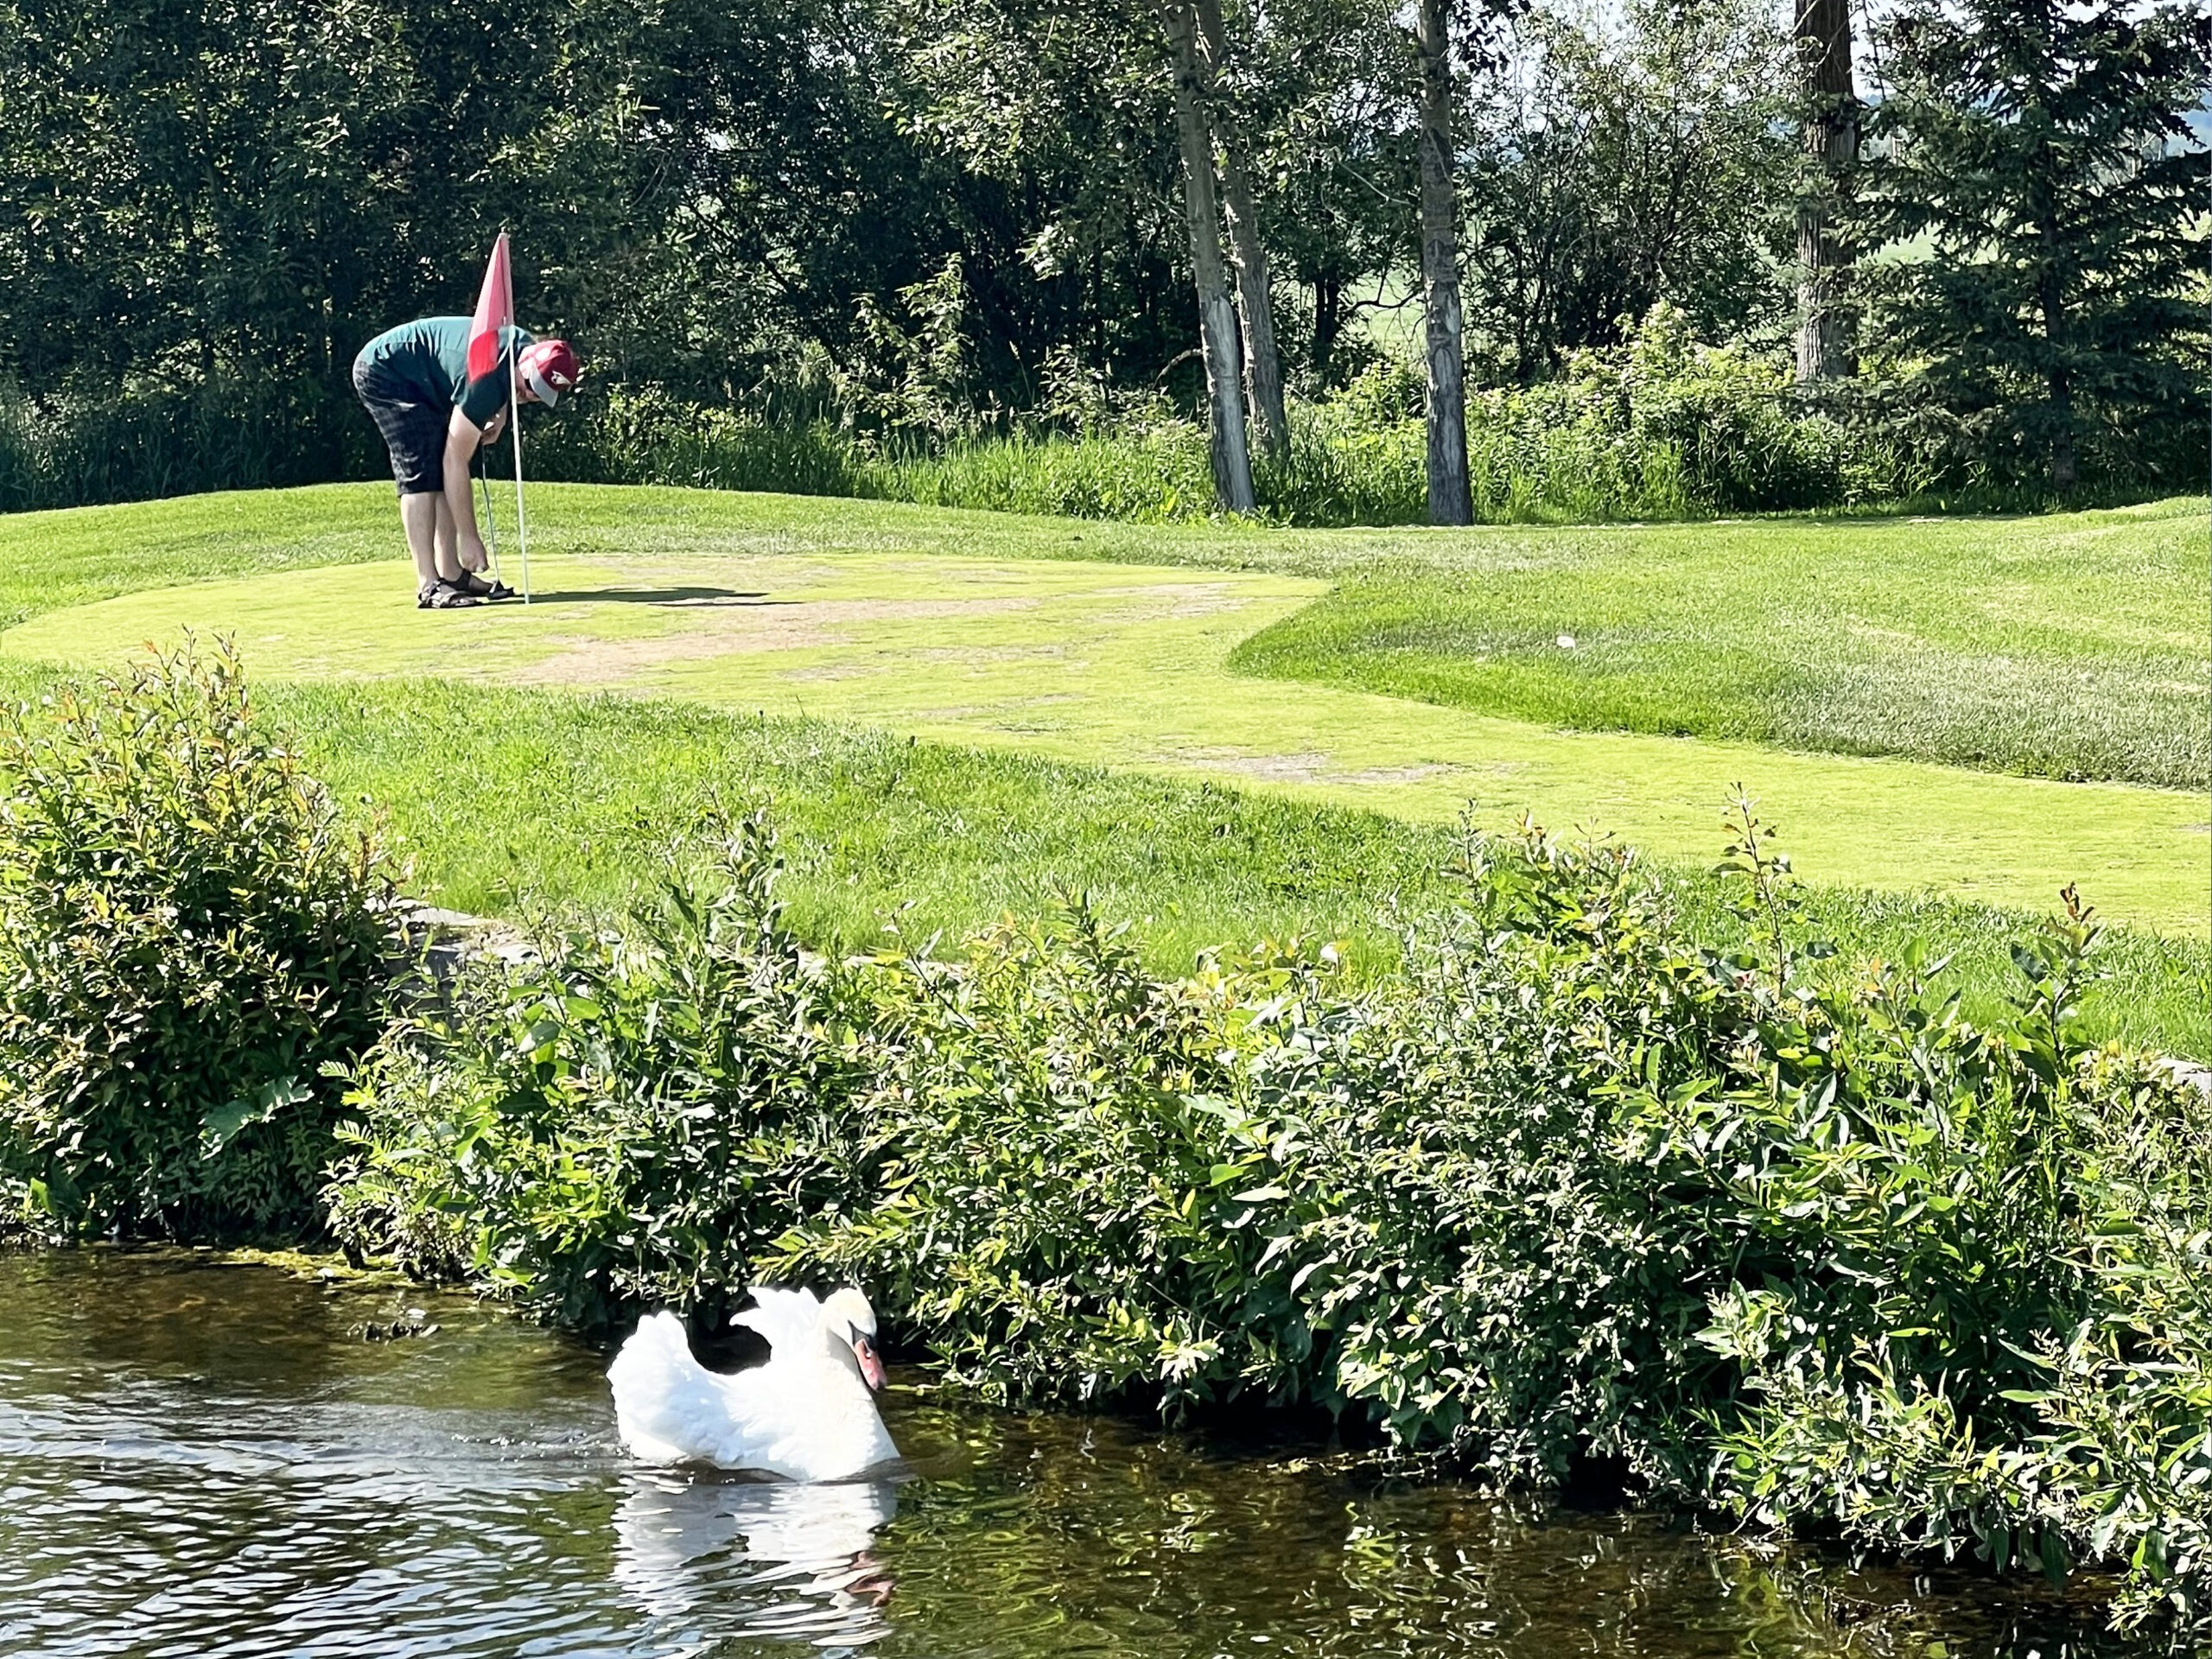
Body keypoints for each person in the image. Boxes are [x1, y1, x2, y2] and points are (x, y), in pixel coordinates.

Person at [351, 318, 580, 608]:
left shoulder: (519, 349)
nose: (530, 395)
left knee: (438, 459)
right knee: (420, 467)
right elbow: (454, 461)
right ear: (526, 364)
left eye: (540, 393)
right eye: (530, 385)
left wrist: (502, 410)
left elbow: (505, 382)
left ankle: (451, 573)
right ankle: (429, 584)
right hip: (385, 370)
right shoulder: (483, 379)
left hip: (424, 379)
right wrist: (469, 538)